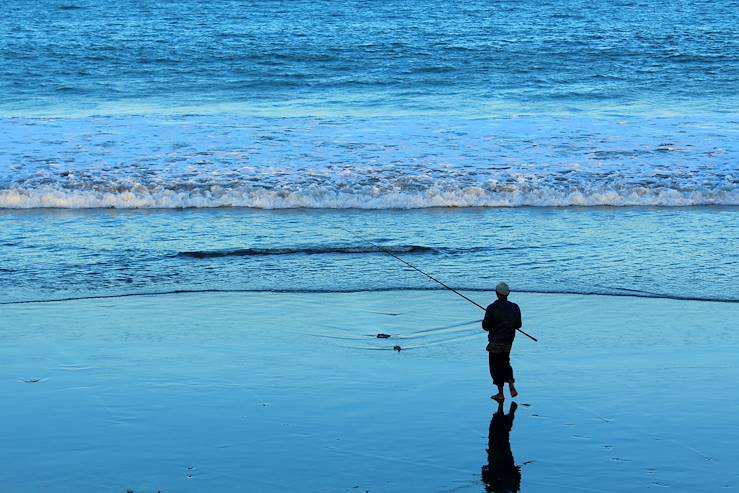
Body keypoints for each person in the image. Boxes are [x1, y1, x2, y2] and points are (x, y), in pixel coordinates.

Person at [482, 282, 521, 401]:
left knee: (495, 367)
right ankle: (510, 381)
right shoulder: (515, 307)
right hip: (509, 341)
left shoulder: (492, 307)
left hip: (495, 343)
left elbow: (485, 326)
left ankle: (500, 394)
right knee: (505, 362)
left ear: (497, 293)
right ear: (508, 293)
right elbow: (518, 324)